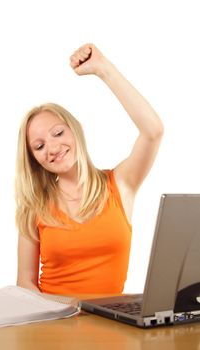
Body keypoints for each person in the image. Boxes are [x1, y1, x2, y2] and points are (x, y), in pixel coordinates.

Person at [16, 43, 164, 295]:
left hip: (111, 325)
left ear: (76, 130)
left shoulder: (121, 184)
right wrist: (55, 314)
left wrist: (103, 68)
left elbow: (153, 131)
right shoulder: (35, 205)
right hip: (52, 324)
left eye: (58, 133)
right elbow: (25, 282)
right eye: (39, 146)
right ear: (34, 159)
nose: (52, 148)